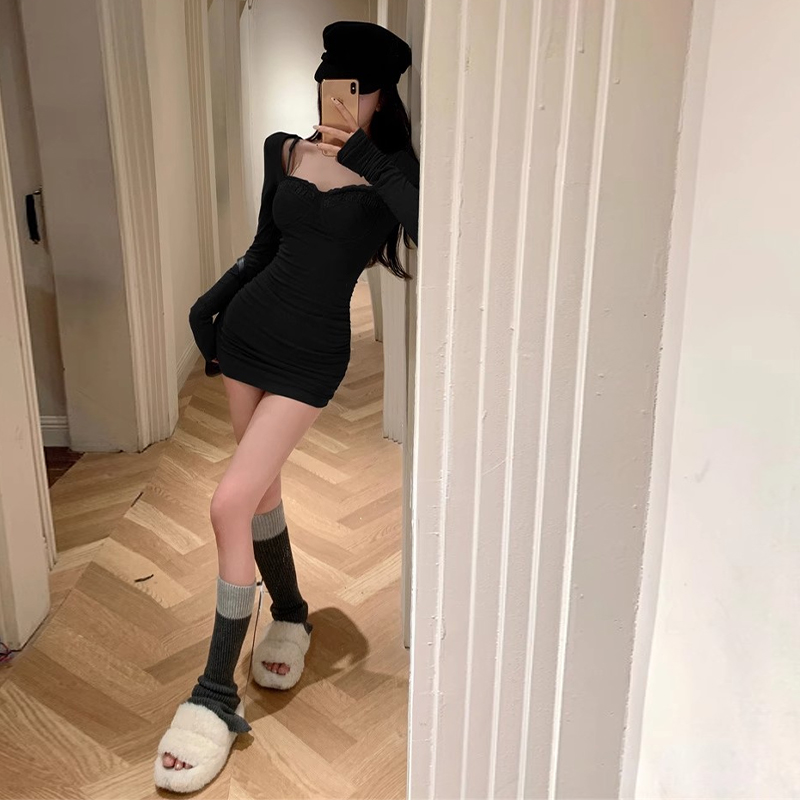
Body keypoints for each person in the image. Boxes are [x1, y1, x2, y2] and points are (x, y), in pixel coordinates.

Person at [153, 20, 419, 793]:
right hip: (247, 334)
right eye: (330, 82)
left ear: (380, 96)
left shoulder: (393, 171)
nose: (338, 97)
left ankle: (213, 694)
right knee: (259, 492)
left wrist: (366, 156)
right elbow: (265, 248)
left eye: (355, 87)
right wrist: (211, 301)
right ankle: (292, 612)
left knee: (227, 503)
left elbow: (433, 224)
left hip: (310, 358)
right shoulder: (285, 151)